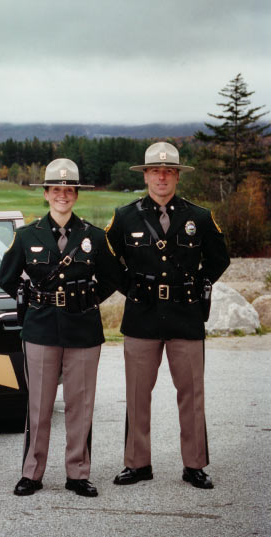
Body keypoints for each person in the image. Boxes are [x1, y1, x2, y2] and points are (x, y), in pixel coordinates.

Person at [106, 142, 230, 489]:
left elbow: (220, 258)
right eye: (155, 170)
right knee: (137, 393)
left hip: (185, 314)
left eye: (169, 171)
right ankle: (137, 463)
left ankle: (194, 465)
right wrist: (129, 286)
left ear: (177, 176)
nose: (162, 176)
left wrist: (199, 284)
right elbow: (106, 258)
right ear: (145, 174)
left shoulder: (199, 217)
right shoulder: (125, 215)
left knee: (191, 394)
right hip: (142, 314)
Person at [0, 158, 121, 497]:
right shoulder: (27, 236)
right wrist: (33, 298)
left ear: (76, 195)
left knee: (80, 405)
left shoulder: (94, 237)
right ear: (46, 194)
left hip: (83, 330)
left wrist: (89, 297)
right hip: (40, 329)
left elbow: (114, 277)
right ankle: (32, 473)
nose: (62, 196)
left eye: (69, 190)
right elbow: (6, 277)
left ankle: (78, 474)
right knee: (39, 406)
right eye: (56, 190)